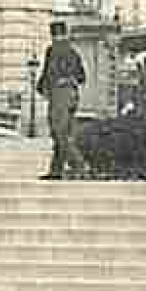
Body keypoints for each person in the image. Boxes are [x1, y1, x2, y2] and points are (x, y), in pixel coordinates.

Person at [36, 21, 87, 178]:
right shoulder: (73, 52)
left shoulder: (53, 50)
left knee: (58, 132)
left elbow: (48, 72)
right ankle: (56, 170)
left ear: (53, 35)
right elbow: (82, 76)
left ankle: (79, 164)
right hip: (73, 95)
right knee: (64, 132)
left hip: (59, 94)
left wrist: (41, 87)